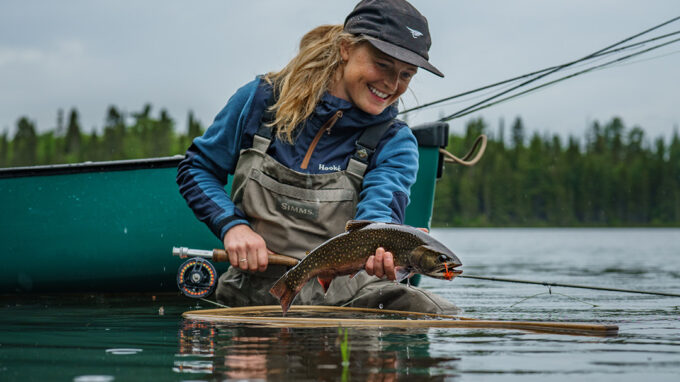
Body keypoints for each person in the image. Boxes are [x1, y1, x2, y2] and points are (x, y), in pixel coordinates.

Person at [177, 0, 457, 314]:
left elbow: (380, 215)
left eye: (406, 74)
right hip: (252, 295)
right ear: (345, 48)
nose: (392, 85)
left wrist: (387, 246)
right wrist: (233, 227)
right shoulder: (262, 100)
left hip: (352, 300)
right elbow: (196, 168)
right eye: (382, 65)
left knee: (439, 312)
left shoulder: (395, 140)